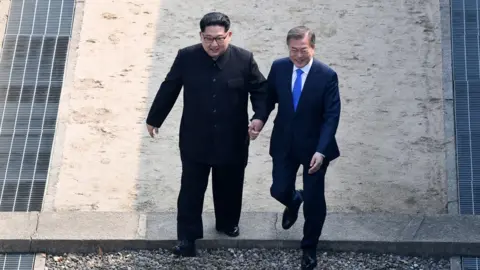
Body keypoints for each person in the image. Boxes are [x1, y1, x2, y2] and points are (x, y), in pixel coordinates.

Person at [145, 12, 267, 257]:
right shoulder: (186, 57)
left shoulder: (244, 59)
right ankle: (187, 238)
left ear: (229, 35)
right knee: (191, 189)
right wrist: (154, 118)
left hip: (232, 138)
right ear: (200, 36)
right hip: (194, 138)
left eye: (219, 39)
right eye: (208, 38)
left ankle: (227, 223)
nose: (214, 44)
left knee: (230, 185)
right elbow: (170, 86)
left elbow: (261, 91)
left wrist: (258, 118)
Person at [250, 26, 341, 270]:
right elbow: (268, 99)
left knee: (314, 201)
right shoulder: (279, 67)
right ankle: (293, 200)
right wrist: (259, 118)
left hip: (315, 150)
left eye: (303, 50)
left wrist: (321, 151)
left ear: (313, 47)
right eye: (293, 50)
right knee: (278, 190)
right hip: (284, 143)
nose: (298, 56)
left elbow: (332, 117)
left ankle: (309, 248)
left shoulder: (327, 75)